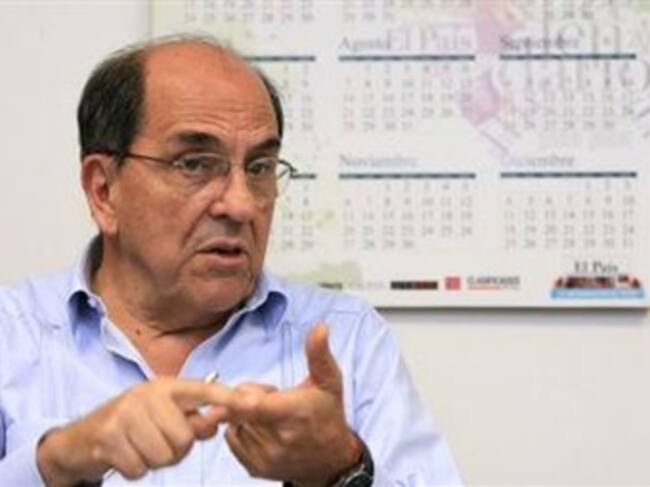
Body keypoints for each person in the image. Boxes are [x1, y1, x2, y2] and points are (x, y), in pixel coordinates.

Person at [0, 35, 461, 486]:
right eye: (195, 164)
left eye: (259, 168)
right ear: (104, 190)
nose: (241, 205)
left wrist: (341, 468)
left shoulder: (347, 339)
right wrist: (54, 464)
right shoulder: (12, 336)